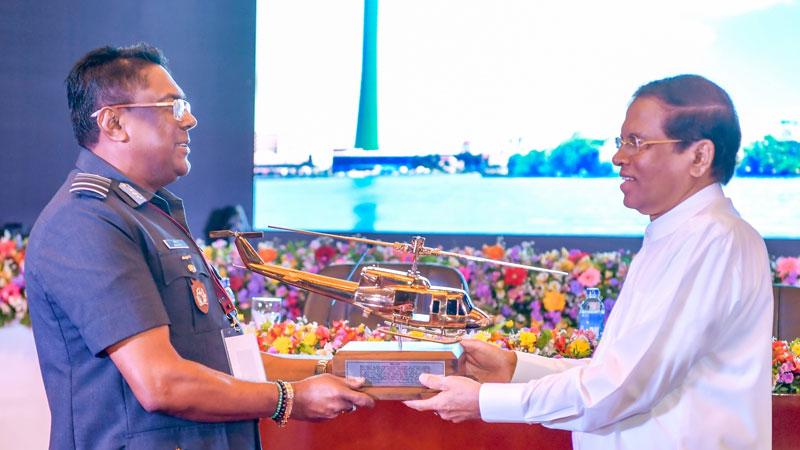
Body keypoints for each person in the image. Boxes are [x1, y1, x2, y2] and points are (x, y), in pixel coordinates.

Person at [25, 43, 373, 450]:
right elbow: (161, 383)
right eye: (172, 106)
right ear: (114, 123)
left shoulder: (149, 214)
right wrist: (290, 399)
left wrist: (325, 367)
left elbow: (224, 361)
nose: (190, 119)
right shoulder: (87, 220)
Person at [405, 74, 772, 449]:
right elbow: (617, 373)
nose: (618, 157)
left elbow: (621, 387)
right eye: (622, 141)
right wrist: (514, 369)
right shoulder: (679, 236)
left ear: (699, 156)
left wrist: (484, 401)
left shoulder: (713, 241)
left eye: (637, 142)